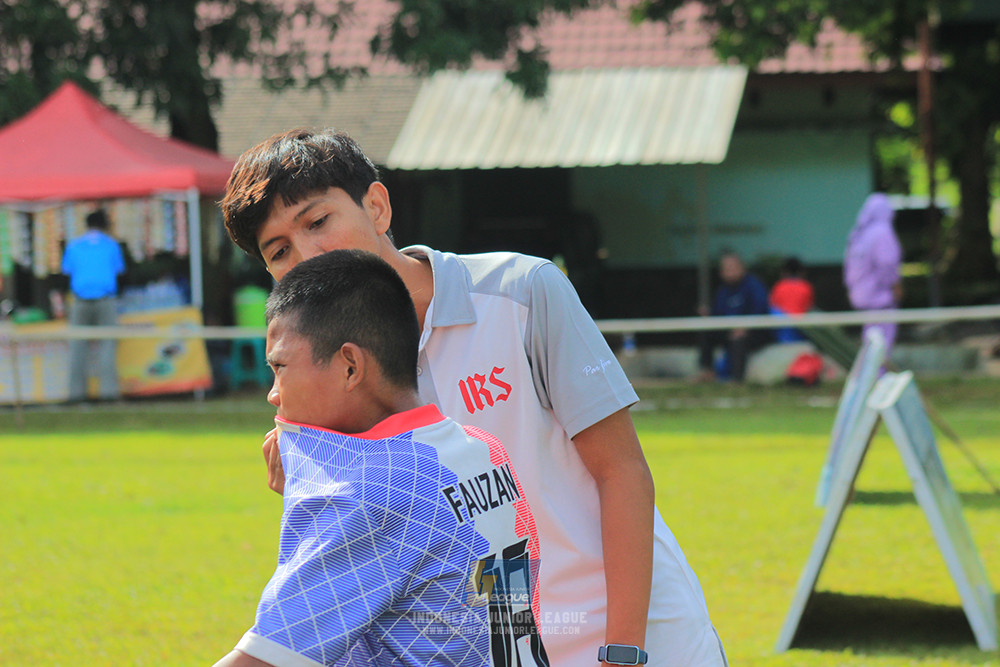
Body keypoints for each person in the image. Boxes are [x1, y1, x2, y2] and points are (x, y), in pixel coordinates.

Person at [222, 129, 726, 666]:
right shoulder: (326, 383)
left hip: (639, 633)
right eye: (280, 251)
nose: (307, 256)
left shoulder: (520, 291)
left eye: (318, 222)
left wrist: (622, 651)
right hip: (514, 646)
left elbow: (621, 471)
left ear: (377, 206)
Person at [214, 249, 550, 666]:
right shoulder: (483, 448)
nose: (273, 394)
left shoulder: (367, 494)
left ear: (350, 366)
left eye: (280, 367)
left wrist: (329, 508)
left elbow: (268, 658)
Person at [61, 208, 125, 402]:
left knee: (77, 348)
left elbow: (66, 271)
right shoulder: (111, 245)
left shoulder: (74, 246)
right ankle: (108, 394)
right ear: (105, 225)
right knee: (108, 346)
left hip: (79, 301)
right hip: (106, 300)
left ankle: (76, 395)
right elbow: (119, 271)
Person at [696, 251, 771, 383]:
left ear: (742, 268)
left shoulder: (754, 285)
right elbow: (718, 314)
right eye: (726, 269)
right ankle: (707, 371)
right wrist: (708, 315)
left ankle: (737, 380)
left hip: (755, 331)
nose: (729, 272)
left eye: (733, 268)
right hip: (729, 330)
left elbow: (760, 310)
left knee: (738, 339)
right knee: (706, 331)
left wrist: (745, 327)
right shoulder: (723, 290)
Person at [843, 192, 903, 355]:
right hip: (880, 298)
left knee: (870, 341)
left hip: (861, 296)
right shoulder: (882, 232)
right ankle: (878, 371)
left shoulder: (859, 233)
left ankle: (872, 370)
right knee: (880, 345)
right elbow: (887, 262)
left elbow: (849, 264)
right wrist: (895, 284)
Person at [769, 257, 815, 343]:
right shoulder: (806, 286)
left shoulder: (779, 286)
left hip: (785, 330)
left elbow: (773, 306)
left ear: (784, 272)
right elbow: (808, 307)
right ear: (802, 272)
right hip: (798, 328)